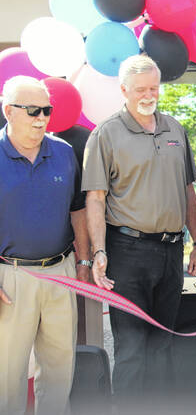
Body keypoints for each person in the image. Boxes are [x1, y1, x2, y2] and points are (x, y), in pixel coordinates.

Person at [82, 55, 196, 413]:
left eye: (154, 87)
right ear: (124, 91)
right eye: (140, 90)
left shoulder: (175, 129)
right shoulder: (105, 133)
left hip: (171, 251)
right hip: (126, 251)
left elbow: (187, 192)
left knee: (163, 343)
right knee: (132, 348)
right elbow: (95, 199)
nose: (149, 95)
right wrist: (100, 252)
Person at [0, 76, 90, 414]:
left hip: (60, 272)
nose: (42, 118)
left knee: (58, 370)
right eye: (33, 110)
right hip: (10, 277)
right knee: (6, 375)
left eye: (46, 111)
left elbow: (77, 210)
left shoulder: (64, 152)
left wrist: (81, 263)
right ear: (8, 111)